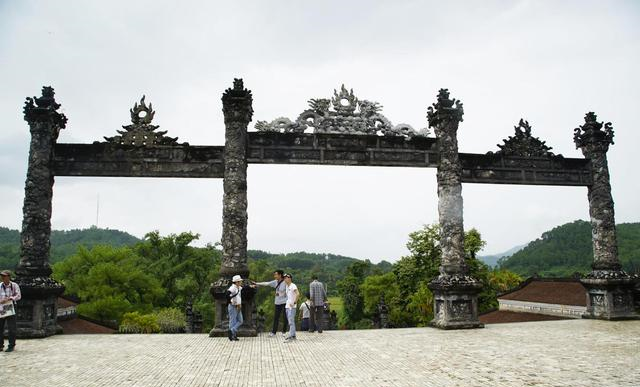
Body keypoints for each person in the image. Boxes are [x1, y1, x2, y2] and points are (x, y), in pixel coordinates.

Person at [253, 270, 288, 337]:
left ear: (280, 275)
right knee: (276, 317)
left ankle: (284, 331)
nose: (274, 276)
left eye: (276, 274)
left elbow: (290, 290)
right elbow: (266, 283)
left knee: (285, 317)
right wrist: (257, 283)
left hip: (285, 302)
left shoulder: (285, 282)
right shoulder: (275, 282)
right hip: (277, 302)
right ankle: (273, 332)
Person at [0, 270, 21, 352]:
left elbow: (18, 295)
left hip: (11, 306)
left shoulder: (14, 285)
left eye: (4, 276)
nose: (2, 277)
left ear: (9, 277)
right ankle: (0, 345)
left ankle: (11, 345)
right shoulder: (0, 286)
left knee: (12, 328)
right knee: (0, 327)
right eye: (2, 276)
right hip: (1, 307)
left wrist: (10, 298)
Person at [226, 275, 244, 341]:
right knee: (233, 321)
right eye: (240, 281)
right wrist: (230, 302)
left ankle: (231, 331)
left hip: (238, 306)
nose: (241, 282)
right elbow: (227, 294)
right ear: (236, 282)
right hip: (233, 306)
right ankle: (233, 335)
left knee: (240, 320)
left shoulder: (238, 287)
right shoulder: (233, 288)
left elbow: (244, 288)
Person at [283, 273, 298, 342]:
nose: (285, 279)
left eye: (286, 278)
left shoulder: (293, 285)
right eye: (284, 278)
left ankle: (291, 336)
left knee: (291, 321)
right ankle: (293, 335)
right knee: (290, 321)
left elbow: (298, 294)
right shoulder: (287, 286)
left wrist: (294, 302)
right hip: (287, 306)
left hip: (292, 307)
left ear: (290, 278)